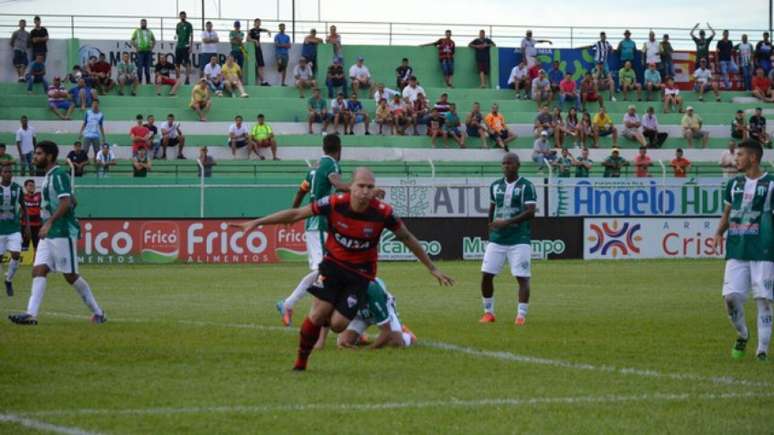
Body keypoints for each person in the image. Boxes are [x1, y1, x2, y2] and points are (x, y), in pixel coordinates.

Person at [232, 165, 454, 371]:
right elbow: (296, 214)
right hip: (333, 267)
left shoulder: (383, 213)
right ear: (351, 186)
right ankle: (301, 361)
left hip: (360, 275)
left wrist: (431, 268)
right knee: (318, 314)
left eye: (369, 187)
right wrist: (256, 222)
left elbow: (407, 237)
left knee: (338, 325)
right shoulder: (335, 203)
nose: (365, 191)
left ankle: (350, 321)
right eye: (361, 186)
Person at [9, 141, 106, 325]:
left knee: (70, 276)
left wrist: (50, 222)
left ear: (49, 156)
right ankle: (31, 314)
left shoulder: (58, 174)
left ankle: (98, 313)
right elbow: (71, 200)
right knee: (39, 270)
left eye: (38, 154)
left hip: (61, 232)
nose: (35, 157)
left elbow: (66, 202)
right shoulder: (49, 176)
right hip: (50, 232)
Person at [276, 136, 349, 326]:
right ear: (339, 149)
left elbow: (301, 191)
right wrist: (359, 189)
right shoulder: (332, 165)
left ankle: (294, 305)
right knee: (322, 271)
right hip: (320, 223)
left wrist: (293, 215)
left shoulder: (313, 169)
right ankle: (295, 305)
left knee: (326, 270)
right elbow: (338, 184)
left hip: (314, 222)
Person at [712, 139, 773, 361]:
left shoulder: (771, 184)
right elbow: (728, 213)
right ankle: (743, 334)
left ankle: (762, 351)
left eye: (740, 155)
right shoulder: (734, 184)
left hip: (764, 249)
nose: (735, 159)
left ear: (753, 158)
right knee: (730, 298)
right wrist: (719, 233)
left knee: (763, 299)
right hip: (736, 248)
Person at [479, 153, 536, 325]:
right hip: (497, 239)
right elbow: (492, 206)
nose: (506, 166)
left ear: (518, 165)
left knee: (522, 277)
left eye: (509, 163)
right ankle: (488, 313)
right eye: (503, 163)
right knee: (486, 275)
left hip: (519, 239)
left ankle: (521, 315)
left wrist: (507, 222)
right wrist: (490, 224)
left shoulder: (527, 186)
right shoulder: (495, 186)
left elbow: (531, 211)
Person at [330, 278, 416, 349]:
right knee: (343, 343)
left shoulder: (373, 292)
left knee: (396, 343)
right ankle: (360, 337)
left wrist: (369, 349)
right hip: (360, 314)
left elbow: (386, 330)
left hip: (381, 308)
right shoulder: (341, 289)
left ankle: (407, 335)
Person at [0, 165, 29, 297]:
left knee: (16, 254)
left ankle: (9, 280)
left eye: (10, 172)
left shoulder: (17, 188)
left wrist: (27, 225)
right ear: (1, 173)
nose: (8, 174)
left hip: (14, 228)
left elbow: (24, 206)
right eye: (5, 172)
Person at [246, 18, 271, 86]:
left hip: (258, 48)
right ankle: (262, 81)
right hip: (253, 50)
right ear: (254, 23)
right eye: (257, 22)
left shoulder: (259, 30)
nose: (259, 24)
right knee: (258, 65)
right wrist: (255, 41)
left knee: (261, 65)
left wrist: (268, 31)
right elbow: (247, 39)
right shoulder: (251, 30)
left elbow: (264, 30)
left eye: (259, 23)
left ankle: (262, 81)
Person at [131, 19, 155, 84]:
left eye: (144, 23)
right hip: (140, 52)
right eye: (142, 23)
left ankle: (148, 82)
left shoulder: (149, 31)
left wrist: (151, 48)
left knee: (147, 69)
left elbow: (154, 40)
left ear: (146, 24)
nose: (143, 24)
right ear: (140, 24)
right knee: (140, 69)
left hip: (148, 52)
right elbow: (132, 40)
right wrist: (136, 47)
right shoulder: (137, 31)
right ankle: (139, 82)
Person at [21, 179, 41, 251]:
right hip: (25, 225)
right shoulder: (22, 197)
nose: (32, 187)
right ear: (25, 187)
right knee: (24, 246)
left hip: (37, 225)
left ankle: (36, 261)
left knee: (37, 246)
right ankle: (22, 261)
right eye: (30, 185)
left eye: (33, 185)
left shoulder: (39, 195)